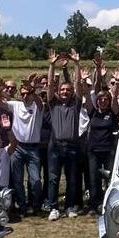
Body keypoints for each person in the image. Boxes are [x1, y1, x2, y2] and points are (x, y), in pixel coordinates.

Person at [45, 51, 83, 221]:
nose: (65, 92)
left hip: (73, 147)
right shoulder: (53, 104)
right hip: (55, 147)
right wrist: (52, 65)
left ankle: (69, 207)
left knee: (72, 180)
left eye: (68, 90)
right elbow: (50, 87)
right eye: (62, 89)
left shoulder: (76, 104)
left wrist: (76, 64)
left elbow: (78, 84)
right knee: (53, 179)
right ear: (59, 92)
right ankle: (53, 208)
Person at [8, 77, 44, 217]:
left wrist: (31, 89)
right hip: (17, 147)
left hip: (33, 148)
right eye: (22, 93)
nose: (24, 96)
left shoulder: (37, 107)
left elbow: (40, 102)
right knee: (17, 180)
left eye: (27, 93)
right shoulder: (15, 105)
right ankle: (22, 206)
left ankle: (36, 205)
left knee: (35, 180)